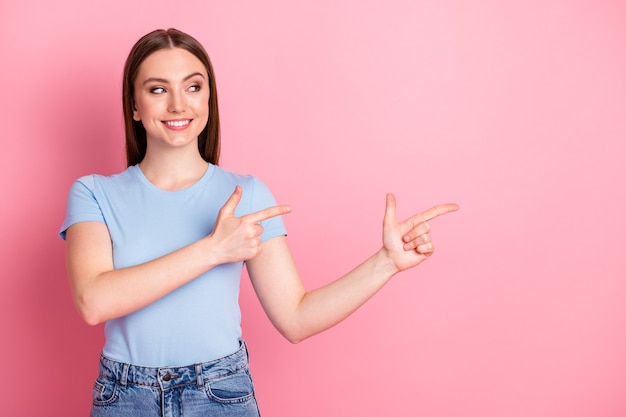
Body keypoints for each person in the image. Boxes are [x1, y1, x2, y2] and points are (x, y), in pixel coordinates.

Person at [59, 28, 458, 417]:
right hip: (126, 397)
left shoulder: (246, 194)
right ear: (134, 104)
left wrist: (386, 262)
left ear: (209, 98)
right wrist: (212, 250)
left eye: (193, 87)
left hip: (218, 394)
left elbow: (296, 318)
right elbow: (94, 302)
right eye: (158, 89)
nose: (178, 105)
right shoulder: (94, 193)